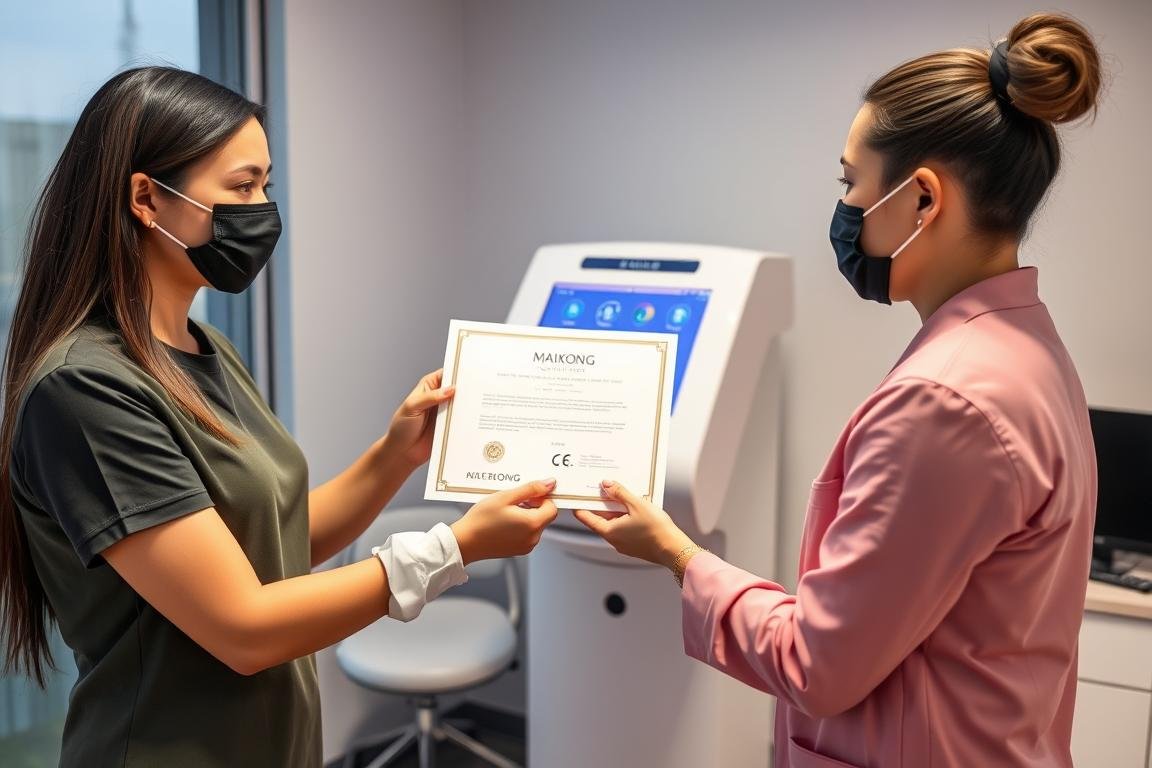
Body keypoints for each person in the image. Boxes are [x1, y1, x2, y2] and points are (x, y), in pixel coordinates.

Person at [575, 12, 1102, 768]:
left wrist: (679, 556)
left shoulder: (946, 402)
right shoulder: (1025, 346)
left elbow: (816, 666)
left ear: (923, 200)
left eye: (852, 182)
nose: (846, 209)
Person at [0, 66, 557, 768]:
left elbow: (276, 542)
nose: (262, 209)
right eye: (241, 187)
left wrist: (395, 455)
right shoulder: (85, 388)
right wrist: (454, 549)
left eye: (265, 185)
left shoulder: (206, 350)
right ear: (146, 197)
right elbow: (244, 627)